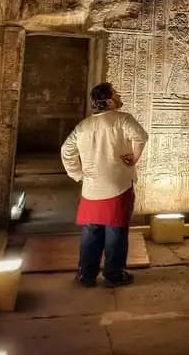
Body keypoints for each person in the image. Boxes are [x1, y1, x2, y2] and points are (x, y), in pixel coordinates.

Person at [61, 82, 148, 287]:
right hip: (118, 184)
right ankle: (113, 274)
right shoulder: (122, 119)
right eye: (116, 94)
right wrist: (135, 157)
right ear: (109, 101)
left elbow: (66, 151)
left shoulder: (83, 126)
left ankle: (86, 275)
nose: (119, 96)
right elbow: (141, 136)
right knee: (116, 231)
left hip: (91, 187)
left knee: (91, 231)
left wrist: (79, 174)